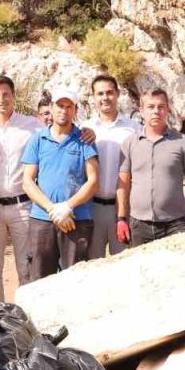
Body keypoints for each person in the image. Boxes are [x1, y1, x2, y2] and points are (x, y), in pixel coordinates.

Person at [0, 75, 44, 302]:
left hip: (23, 205)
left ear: (13, 95)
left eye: (5, 94)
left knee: (25, 266)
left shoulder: (32, 126)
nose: (2, 99)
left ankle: (24, 316)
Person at [21, 89, 99, 277]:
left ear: (75, 110)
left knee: (74, 277)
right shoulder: (38, 139)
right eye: (59, 106)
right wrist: (53, 210)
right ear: (51, 107)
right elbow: (27, 181)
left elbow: (93, 180)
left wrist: (67, 207)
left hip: (76, 219)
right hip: (42, 219)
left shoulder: (84, 140)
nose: (63, 110)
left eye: (68, 106)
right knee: (39, 277)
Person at [115, 89, 185, 248]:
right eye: (151, 107)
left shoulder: (183, 141)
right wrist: (121, 219)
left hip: (174, 225)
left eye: (161, 106)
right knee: (142, 272)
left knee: (176, 272)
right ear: (141, 111)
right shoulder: (130, 143)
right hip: (139, 226)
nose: (156, 111)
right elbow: (123, 184)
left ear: (167, 109)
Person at [82, 74, 142, 259]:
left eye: (109, 92)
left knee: (123, 265)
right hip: (92, 208)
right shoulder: (84, 128)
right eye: (100, 93)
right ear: (93, 97)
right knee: (91, 265)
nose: (105, 97)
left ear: (118, 94)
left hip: (123, 209)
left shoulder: (134, 129)